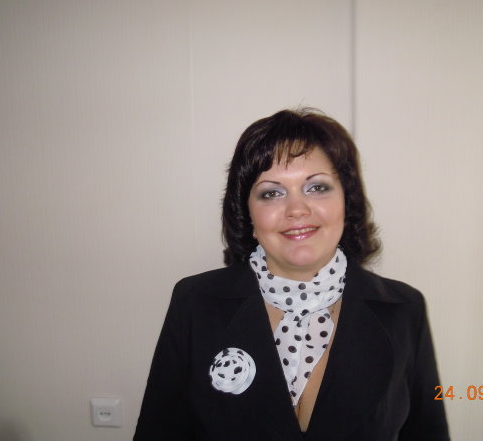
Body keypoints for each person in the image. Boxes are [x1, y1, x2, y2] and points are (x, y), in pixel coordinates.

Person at [134, 108, 450, 440]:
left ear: (346, 202)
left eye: (317, 187)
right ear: (247, 214)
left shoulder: (405, 309)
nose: (297, 210)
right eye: (272, 193)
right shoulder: (194, 303)